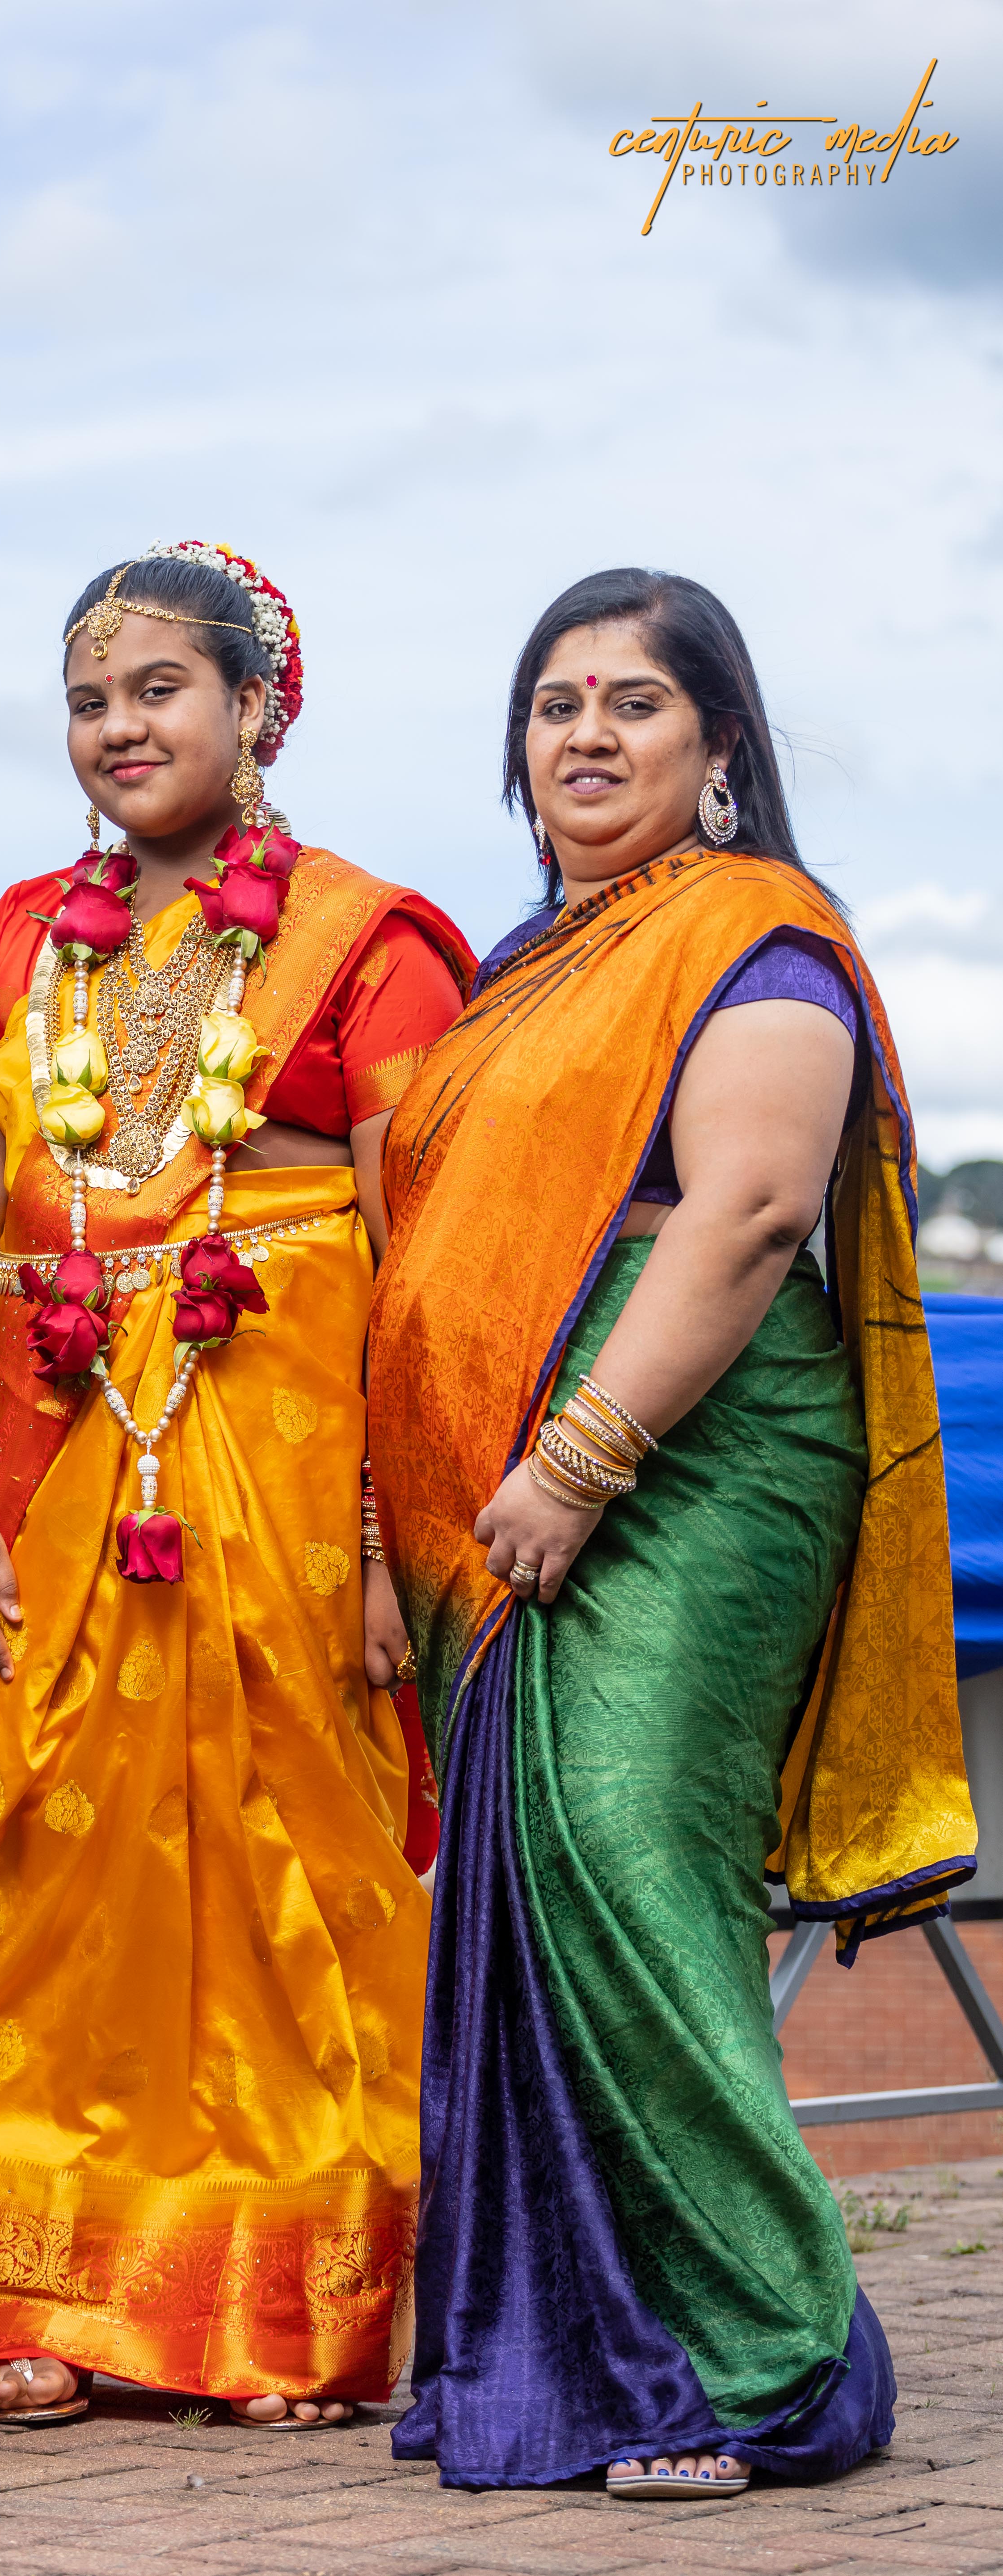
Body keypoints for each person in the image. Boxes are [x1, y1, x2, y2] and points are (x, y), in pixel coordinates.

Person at [0, 541, 475, 2426]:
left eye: (158, 688)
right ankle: (19, 2289)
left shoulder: (368, 940)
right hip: (60, 1458)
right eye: (88, 699)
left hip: (291, 1487)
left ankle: (276, 2311)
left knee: (277, 1885)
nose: (117, 727)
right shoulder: (14, 940)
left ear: (257, 705)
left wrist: (394, 1543)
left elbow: (426, 1262)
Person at [367, 568, 976, 2495]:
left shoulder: (755, 937)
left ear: (719, 743)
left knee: (634, 1859)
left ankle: (776, 2360)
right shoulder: (522, 967)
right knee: (538, 1893)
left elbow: (747, 1210)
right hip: (513, 1474)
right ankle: (591, 2355)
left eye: (634, 701)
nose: (586, 733)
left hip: (696, 1452)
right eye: (555, 702)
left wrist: (581, 1457)